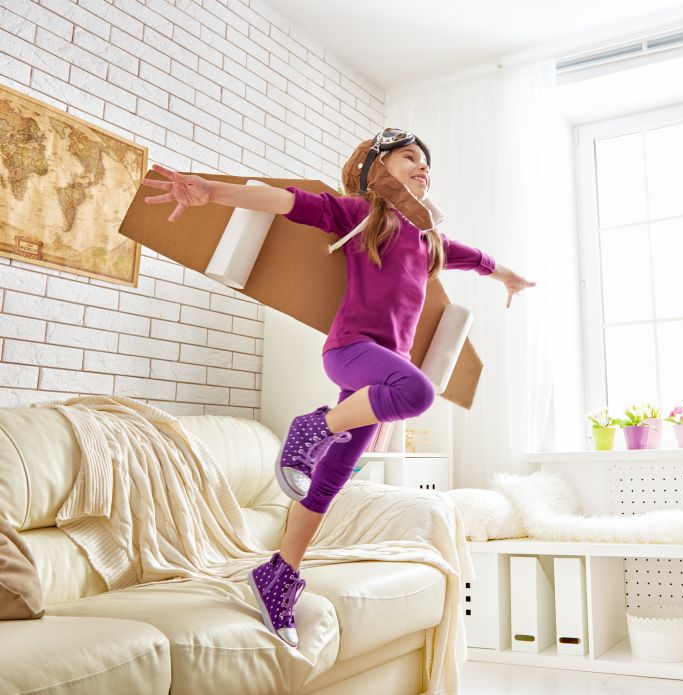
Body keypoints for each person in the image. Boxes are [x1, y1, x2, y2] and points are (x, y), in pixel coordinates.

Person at [141, 128, 535, 647]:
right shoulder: (364, 216)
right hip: (351, 352)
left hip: (379, 376)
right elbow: (287, 202)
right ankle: (314, 427)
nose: (423, 166)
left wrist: (508, 277)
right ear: (377, 168)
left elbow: (479, 259)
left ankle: (278, 574)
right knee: (417, 394)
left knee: (329, 481)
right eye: (409, 157)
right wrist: (212, 192)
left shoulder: (430, 242)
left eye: (426, 162)